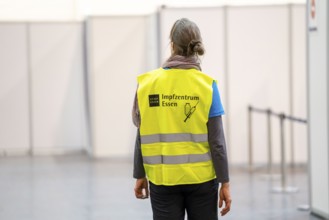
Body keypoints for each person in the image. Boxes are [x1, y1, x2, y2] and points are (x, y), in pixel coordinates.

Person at [132, 18, 231, 220]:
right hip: (202, 181)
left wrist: (139, 174)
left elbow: (142, 134)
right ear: (197, 46)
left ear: (172, 45)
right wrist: (225, 182)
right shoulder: (207, 86)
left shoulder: (148, 84)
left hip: (163, 180)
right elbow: (217, 141)